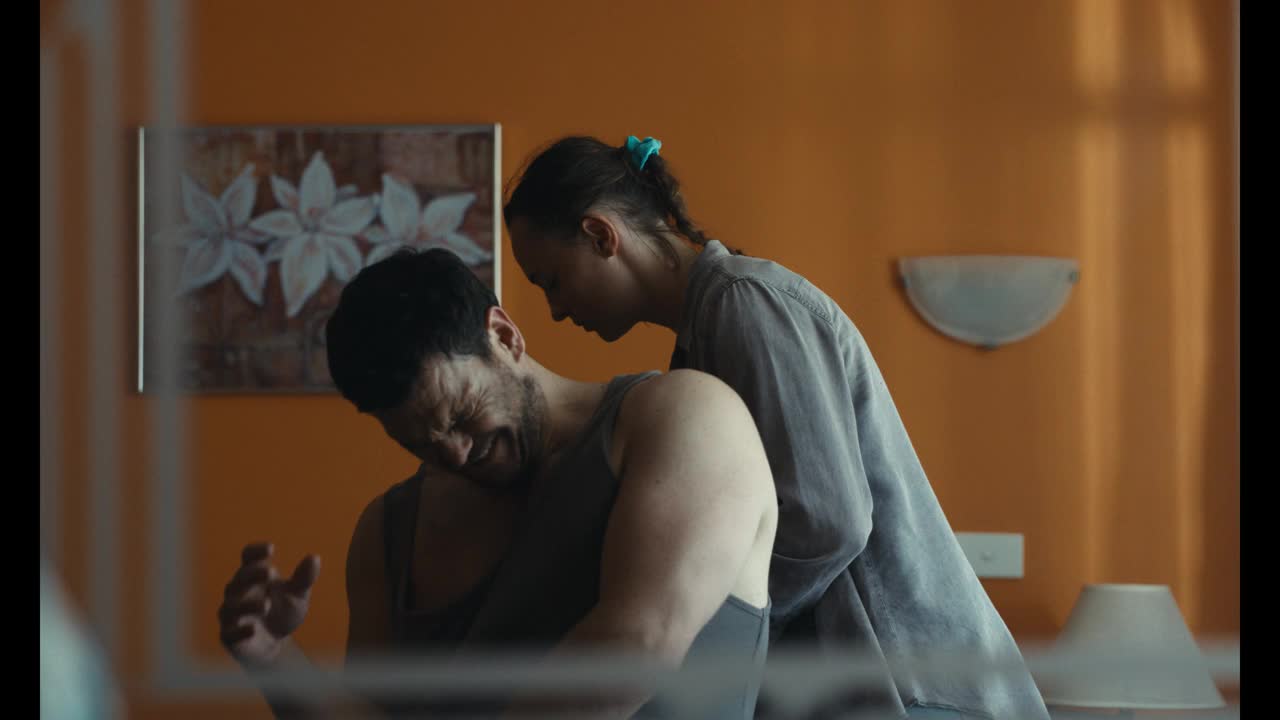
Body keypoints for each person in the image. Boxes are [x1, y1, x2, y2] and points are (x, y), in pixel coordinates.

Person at [503, 135, 1050, 720]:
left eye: (551, 281)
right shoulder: (703, 337)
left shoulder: (743, 302)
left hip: (910, 682)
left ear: (600, 236)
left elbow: (826, 521)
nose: (556, 310)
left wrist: (720, 629)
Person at [215, 247, 779, 719]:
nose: (457, 454)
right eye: (421, 444)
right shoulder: (387, 531)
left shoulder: (686, 417)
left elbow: (634, 653)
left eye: (463, 416)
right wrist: (273, 656)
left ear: (505, 336)